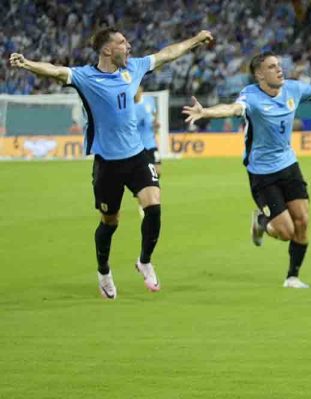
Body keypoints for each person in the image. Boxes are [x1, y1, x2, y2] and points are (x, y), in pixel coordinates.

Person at [10, 27, 214, 299]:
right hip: (107, 163)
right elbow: (56, 71)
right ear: (107, 50)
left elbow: (167, 54)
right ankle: (104, 270)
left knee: (153, 206)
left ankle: (144, 260)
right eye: (122, 42)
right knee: (110, 221)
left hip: (137, 156)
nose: (128, 46)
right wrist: (27, 64)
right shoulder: (85, 77)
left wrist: (196, 40)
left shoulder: (134, 68)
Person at [183, 52, 311, 289]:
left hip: (288, 165)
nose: (279, 70)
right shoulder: (251, 96)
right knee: (286, 231)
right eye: (272, 67)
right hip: (262, 173)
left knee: (303, 220)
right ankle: (261, 222)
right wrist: (206, 112)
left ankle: (292, 277)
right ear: (259, 75)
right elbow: (232, 108)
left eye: (279, 65)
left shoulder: (293, 89)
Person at [134, 85, 162, 177]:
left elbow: (154, 114)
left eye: (138, 91)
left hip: (151, 144)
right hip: (138, 146)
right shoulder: (130, 107)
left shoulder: (149, 100)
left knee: (158, 172)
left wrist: (156, 123)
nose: (136, 93)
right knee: (143, 174)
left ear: (141, 90)